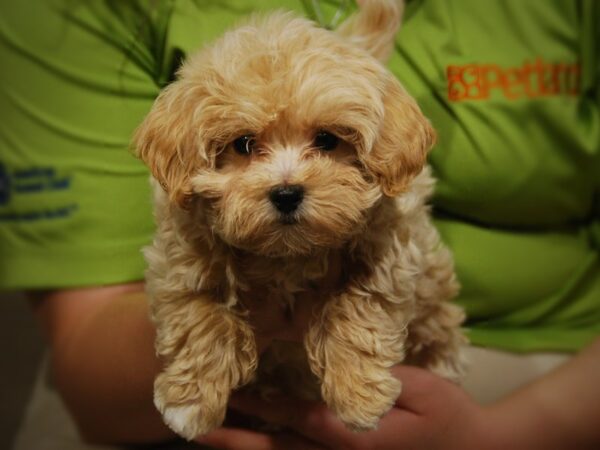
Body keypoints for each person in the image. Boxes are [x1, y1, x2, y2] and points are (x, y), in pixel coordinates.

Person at [1, 0, 598, 448]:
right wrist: (216, 340)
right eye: (243, 144)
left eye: (326, 141)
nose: (287, 181)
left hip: (542, 363)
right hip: (198, 395)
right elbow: (91, 375)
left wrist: (494, 435)